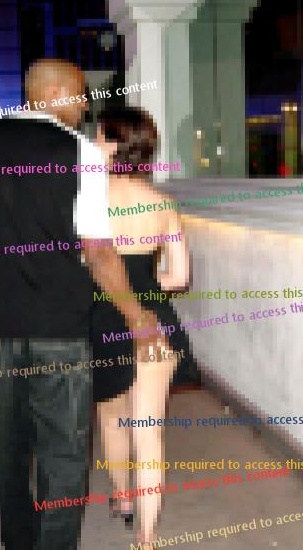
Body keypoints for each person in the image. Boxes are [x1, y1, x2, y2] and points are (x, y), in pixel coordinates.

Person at [0, 59, 161, 550]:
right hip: (58, 326)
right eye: (80, 95)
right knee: (62, 453)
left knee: (5, 449)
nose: (85, 107)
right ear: (55, 93)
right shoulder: (78, 150)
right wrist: (136, 314)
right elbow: (98, 251)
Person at [91, 104, 191, 549]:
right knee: (149, 431)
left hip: (104, 315)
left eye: (99, 136)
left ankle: (122, 498)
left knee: (112, 418)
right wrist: (147, 284)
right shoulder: (163, 204)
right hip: (155, 319)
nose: (93, 143)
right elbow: (180, 277)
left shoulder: (88, 199)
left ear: (112, 145)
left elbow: (84, 265)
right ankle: (147, 538)